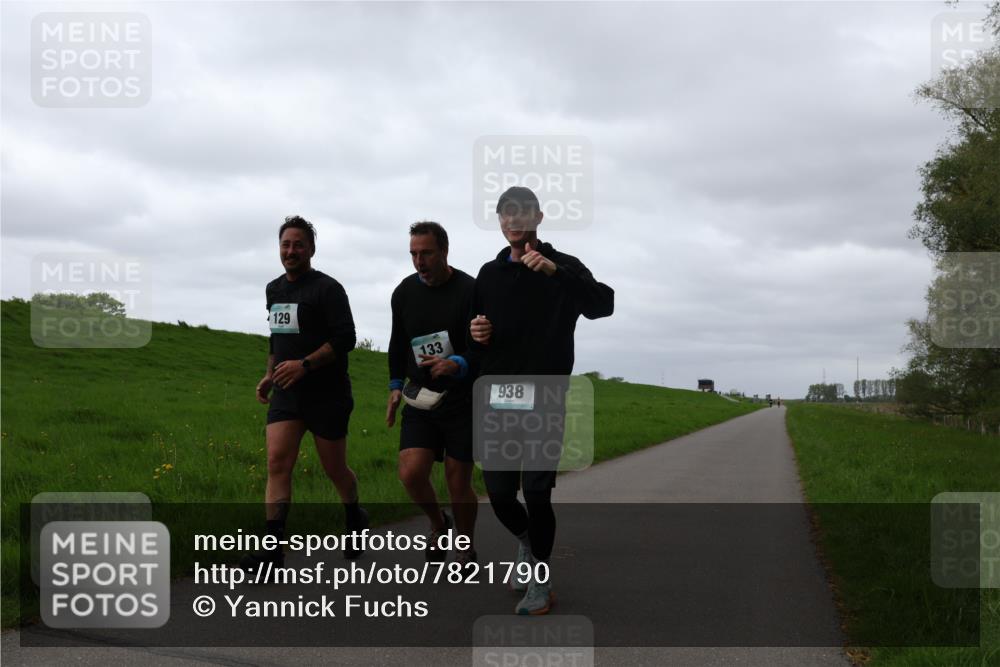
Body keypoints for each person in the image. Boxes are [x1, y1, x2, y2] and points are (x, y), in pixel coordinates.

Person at [468, 186, 614, 615]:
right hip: (498, 397)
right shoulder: (488, 274)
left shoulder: (563, 265)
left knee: (535, 492)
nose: (513, 220)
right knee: (497, 494)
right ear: (499, 221)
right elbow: (475, 337)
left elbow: (603, 305)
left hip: (546, 395)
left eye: (522, 212)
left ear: (538, 216)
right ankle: (528, 543)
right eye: (505, 214)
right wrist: (475, 337)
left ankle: (540, 583)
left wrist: (555, 272)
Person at [242, 215, 367, 573]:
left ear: (311, 249)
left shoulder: (327, 289)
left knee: (334, 468)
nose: (291, 250)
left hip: (326, 393)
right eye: (285, 244)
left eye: (298, 244)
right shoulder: (274, 289)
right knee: (277, 463)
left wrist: (305, 365)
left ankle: (353, 514)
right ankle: (273, 552)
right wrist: (270, 374)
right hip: (287, 393)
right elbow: (276, 337)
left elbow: (346, 339)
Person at [386, 222, 479, 565]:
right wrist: (395, 387)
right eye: (413, 254)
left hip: (462, 400)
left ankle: (465, 547)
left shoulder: (470, 291)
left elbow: (482, 348)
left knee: (458, 480)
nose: (419, 261)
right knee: (411, 472)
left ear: (444, 252)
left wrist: (457, 363)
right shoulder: (404, 293)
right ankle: (440, 524)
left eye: (426, 253)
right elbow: (397, 344)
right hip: (420, 397)